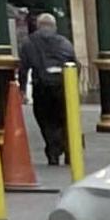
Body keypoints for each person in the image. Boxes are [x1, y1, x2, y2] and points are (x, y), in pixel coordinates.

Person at [21, 11, 78, 167]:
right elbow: (75, 64)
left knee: (46, 121)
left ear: (38, 26)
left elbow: (23, 68)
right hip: (63, 87)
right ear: (54, 26)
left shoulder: (29, 43)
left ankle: (53, 151)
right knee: (65, 119)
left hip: (42, 87)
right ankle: (69, 150)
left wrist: (22, 90)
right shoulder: (65, 42)